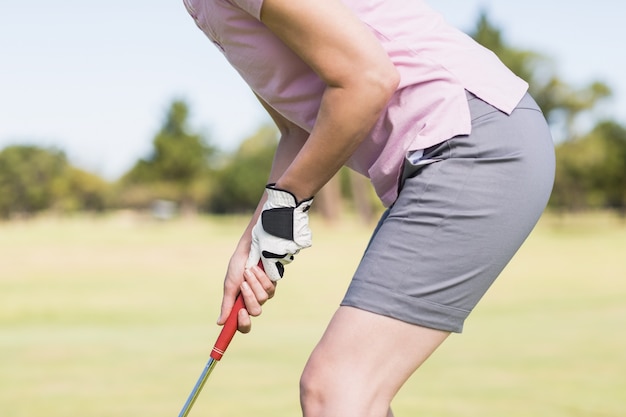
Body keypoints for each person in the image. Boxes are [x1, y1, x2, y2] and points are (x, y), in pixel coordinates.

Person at [183, 0, 555, 415]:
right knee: (343, 391)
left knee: (335, 388)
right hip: (449, 149)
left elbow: (368, 78)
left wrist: (283, 210)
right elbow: (296, 129)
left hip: (472, 138)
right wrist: (253, 243)